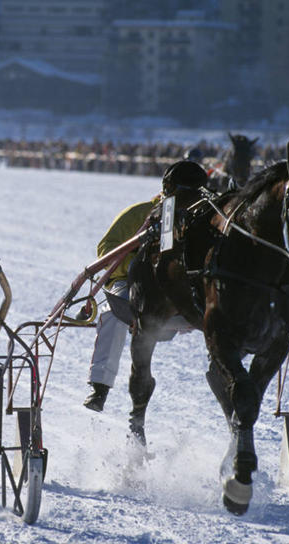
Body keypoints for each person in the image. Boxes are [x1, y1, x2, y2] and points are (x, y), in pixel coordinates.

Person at [83, 160, 208, 412]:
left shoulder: (201, 220)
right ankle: (100, 387)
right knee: (113, 313)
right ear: (167, 190)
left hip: (176, 292)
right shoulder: (139, 213)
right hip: (127, 283)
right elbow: (106, 251)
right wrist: (140, 261)